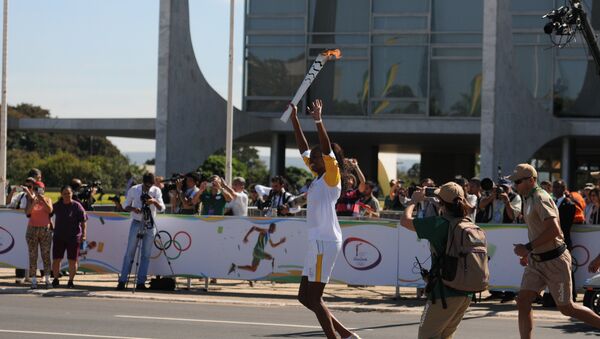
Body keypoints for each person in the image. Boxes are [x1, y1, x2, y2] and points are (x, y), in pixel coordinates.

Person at [290, 100, 359, 339]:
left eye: (318, 156)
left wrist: (318, 120)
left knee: (314, 298)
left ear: (328, 160)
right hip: (316, 242)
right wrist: (294, 119)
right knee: (303, 297)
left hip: (325, 242)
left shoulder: (332, 177)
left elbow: (326, 150)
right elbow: (302, 149)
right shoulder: (318, 175)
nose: (313, 158)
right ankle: (347, 335)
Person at [510, 164, 600, 338]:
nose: (515, 185)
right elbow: (538, 230)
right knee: (523, 300)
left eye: (518, 181)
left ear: (531, 180)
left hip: (555, 261)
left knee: (567, 308)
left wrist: (527, 247)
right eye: (514, 182)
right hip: (537, 260)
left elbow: (554, 230)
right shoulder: (527, 198)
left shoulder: (540, 198)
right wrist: (530, 252)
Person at [399, 182, 473, 338]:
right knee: (445, 336)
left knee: (427, 336)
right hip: (466, 292)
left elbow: (405, 221)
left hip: (444, 292)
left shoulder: (439, 224)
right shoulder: (468, 223)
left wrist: (413, 201)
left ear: (441, 202)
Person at [116, 173, 166, 290]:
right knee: (130, 253)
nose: (149, 188)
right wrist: (134, 209)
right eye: (147, 186)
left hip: (150, 224)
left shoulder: (156, 190)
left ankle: (141, 282)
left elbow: (162, 208)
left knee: (146, 255)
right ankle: (122, 281)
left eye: (151, 185)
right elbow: (125, 206)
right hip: (136, 222)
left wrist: (154, 201)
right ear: (143, 183)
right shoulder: (134, 189)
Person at [51, 185, 87, 288]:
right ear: (61, 194)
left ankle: (71, 281)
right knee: (57, 259)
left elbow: (84, 221)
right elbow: (48, 213)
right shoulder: (57, 205)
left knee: (73, 260)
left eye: (69, 193)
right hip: (59, 236)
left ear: (72, 194)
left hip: (73, 237)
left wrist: (84, 234)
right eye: (65, 193)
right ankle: (56, 279)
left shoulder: (77, 206)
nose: (67, 195)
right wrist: (51, 224)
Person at [24, 181, 53, 289]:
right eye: (36, 189)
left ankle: (47, 279)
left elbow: (50, 210)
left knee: (46, 255)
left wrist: (42, 200)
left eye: (40, 189)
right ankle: (34, 280)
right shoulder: (30, 199)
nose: (38, 191)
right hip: (32, 229)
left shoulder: (48, 199)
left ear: (44, 190)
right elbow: (27, 213)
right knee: (33, 256)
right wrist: (33, 202)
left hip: (45, 230)